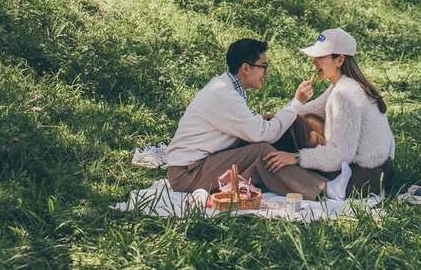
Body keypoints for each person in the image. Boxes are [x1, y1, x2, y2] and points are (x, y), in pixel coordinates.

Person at [165, 39, 345, 200]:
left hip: (202, 162)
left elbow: (253, 127)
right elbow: (263, 135)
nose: (266, 73)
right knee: (261, 151)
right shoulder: (224, 95)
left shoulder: (227, 86)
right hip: (188, 173)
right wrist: (297, 102)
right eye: (263, 66)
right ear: (246, 68)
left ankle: (318, 170)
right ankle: (325, 188)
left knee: (272, 122)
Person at [264, 28, 395, 197]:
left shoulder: (345, 95)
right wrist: (274, 119)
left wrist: (295, 157)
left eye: (320, 57)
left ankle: (264, 168)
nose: (314, 62)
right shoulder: (344, 85)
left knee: (287, 152)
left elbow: (341, 155)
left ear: (339, 60)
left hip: (360, 182)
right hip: (380, 175)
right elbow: (305, 112)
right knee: (306, 119)